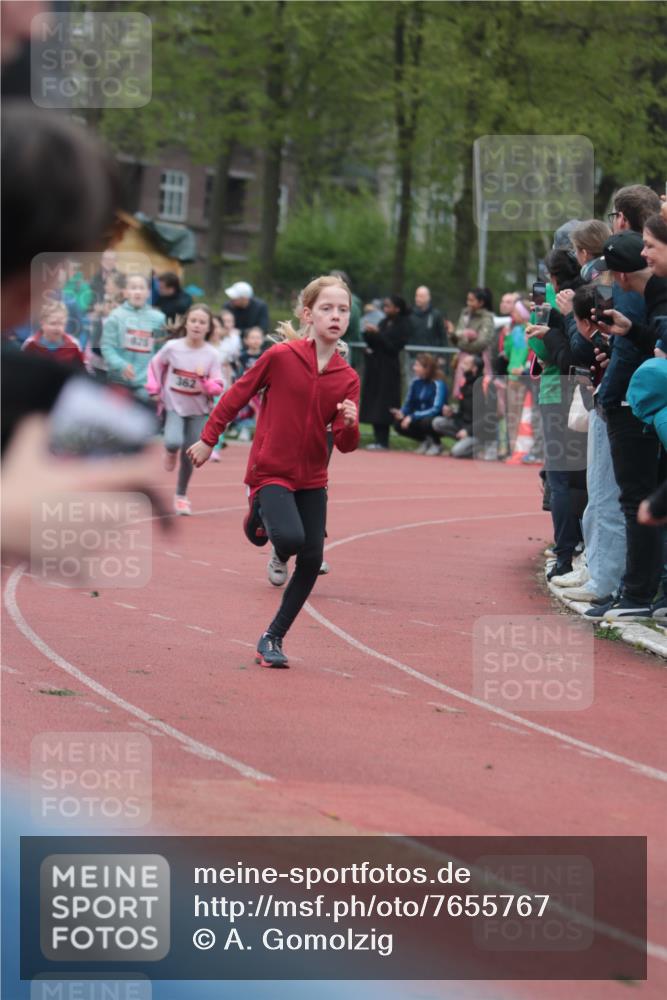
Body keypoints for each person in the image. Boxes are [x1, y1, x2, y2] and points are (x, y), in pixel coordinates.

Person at [187, 275, 359, 669]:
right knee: (291, 538)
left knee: (312, 558)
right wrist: (209, 438)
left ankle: (272, 637)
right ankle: (259, 515)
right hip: (272, 470)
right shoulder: (281, 356)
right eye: (327, 308)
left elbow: (347, 445)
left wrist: (349, 422)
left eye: (343, 310)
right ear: (308, 314)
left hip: (313, 477)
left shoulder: (348, 378)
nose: (335, 316)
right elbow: (237, 394)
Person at [527, 249, 586, 582]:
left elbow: (541, 350)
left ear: (551, 276)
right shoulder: (588, 291)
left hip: (556, 389)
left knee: (560, 477)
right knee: (583, 474)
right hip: (585, 389)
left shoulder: (549, 299)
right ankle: (580, 546)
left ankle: (564, 554)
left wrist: (537, 325)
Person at [146, 305, 223, 515]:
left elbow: (217, 387)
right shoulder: (172, 347)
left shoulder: (212, 355)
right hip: (174, 405)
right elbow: (155, 365)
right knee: (172, 441)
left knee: (190, 454)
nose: (197, 325)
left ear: (208, 328)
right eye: (194, 320)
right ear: (186, 323)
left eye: (202, 322)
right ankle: (170, 451)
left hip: (198, 410)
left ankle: (181, 496)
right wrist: (153, 388)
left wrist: (204, 381)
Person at [101, 274, 166, 401]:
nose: (137, 291)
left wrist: (157, 380)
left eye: (142, 288)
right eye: (133, 288)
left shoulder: (158, 319)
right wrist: (121, 365)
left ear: (148, 293)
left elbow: (160, 350)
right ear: (125, 293)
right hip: (118, 379)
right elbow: (107, 347)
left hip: (144, 383)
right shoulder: (115, 316)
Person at [360, 295, 411, 450]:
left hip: (389, 369)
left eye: (389, 306)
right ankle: (377, 439)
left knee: (385, 403)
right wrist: (368, 334)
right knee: (374, 402)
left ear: (397, 308)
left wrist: (378, 334)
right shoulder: (383, 322)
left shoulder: (402, 325)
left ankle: (383, 440)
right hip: (376, 367)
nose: (386, 309)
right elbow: (376, 342)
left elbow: (392, 347)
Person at [389, 353, 447, 455]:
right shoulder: (415, 382)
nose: (414, 368)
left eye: (417, 365)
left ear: (426, 368)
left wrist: (412, 416)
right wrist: (402, 412)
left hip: (434, 418)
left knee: (426, 421)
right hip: (418, 416)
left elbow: (436, 409)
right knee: (398, 423)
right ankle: (425, 441)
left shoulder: (438, 384)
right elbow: (409, 403)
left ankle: (436, 444)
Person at [432, 354, 484, 457]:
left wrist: (468, 431)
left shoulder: (483, 387)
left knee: (456, 452)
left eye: (465, 364)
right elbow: (463, 413)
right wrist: (451, 414)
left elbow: (485, 418)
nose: (461, 366)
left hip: (479, 431)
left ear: (474, 369)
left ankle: (479, 447)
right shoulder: (465, 384)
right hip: (464, 426)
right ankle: (465, 444)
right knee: (437, 422)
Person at [449, 288, 495, 395]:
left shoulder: (486, 318)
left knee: (480, 391)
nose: (468, 303)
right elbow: (458, 336)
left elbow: (482, 342)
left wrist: (463, 342)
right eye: (468, 300)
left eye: (472, 300)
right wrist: (452, 334)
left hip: (479, 361)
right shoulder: (465, 314)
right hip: (463, 361)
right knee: (462, 389)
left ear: (481, 302)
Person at [22, 302, 85, 368]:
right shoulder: (31, 344)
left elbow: (82, 372)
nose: (57, 328)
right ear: (42, 323)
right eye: (53, 323)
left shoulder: (74, 345)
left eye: (61, 324)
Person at [231, 326, 266, 442]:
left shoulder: (266, 355)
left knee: (259, 411)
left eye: (258, 338)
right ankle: (243, 429)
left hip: (261, 390)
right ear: (246, 340)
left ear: (262, 340)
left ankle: (259, 433)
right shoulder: (242, 357)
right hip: (247, 389)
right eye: (252, 337)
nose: (256, 340)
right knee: (245, 411)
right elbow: (238, 372)